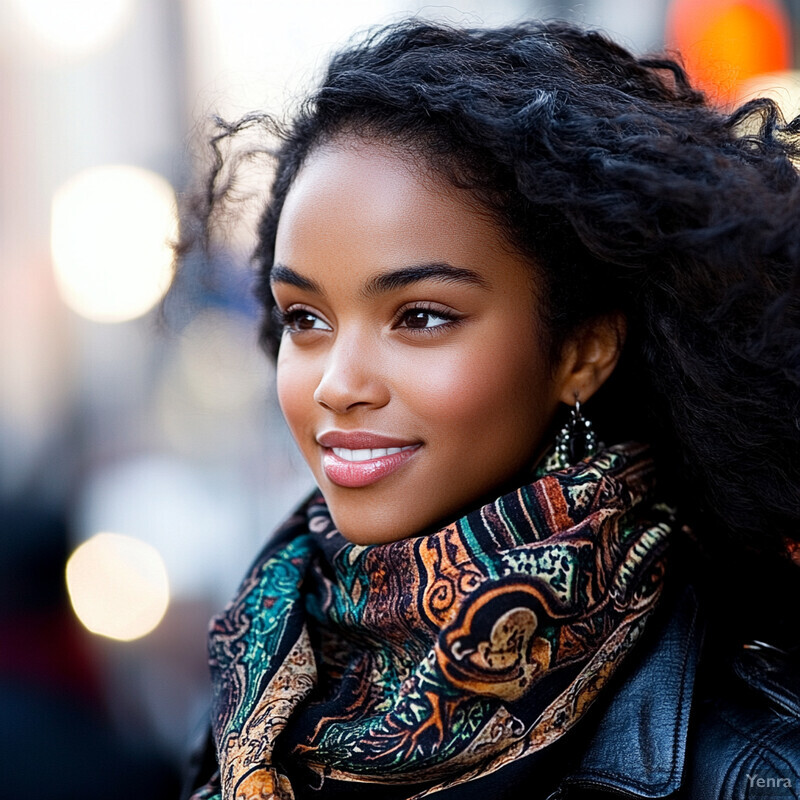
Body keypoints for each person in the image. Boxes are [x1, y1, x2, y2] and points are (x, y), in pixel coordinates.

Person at [179, 19, 800, 800]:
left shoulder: (756, 764)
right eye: (306, 319)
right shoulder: (252, 672)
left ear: (583, 351)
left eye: (422, 316)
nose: (339, 383)